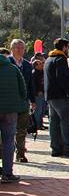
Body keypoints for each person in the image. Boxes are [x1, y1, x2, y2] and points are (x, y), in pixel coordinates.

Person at [44, 38, 69, 158]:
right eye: (67, 47)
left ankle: (56, 149)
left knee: (54, 122)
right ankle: (68, 148)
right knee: (65, 122)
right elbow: (62, 78)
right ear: (64, 47)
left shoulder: (49, 59)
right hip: (60, 95)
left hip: (50, 95)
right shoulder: (61, 59)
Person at [0, 49, 28, 183]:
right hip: (10, 111)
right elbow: (23, 90)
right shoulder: (13, 68)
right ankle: (7, 173)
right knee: (8, 142)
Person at [9, 39, 34, 163]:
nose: (19, 50)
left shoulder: (27, 65)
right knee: (8, 129)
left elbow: (30, 84)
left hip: (23, 101)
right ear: (12, 49)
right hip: (10, 102)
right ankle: (7, 153)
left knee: (22, 130)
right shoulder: (7, 63)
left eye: (22, 48)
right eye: (17, 47)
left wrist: (33, 100)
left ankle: (20, 153)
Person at [31, 57, 45, 131]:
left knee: (42, 111)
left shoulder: (43, 72)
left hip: (44, 94)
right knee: (38, 111)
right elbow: (33, 85)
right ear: (36, 66)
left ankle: (40, 124)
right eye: (40, 64)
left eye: (42, 63)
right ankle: (36, 125)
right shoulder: (34, 73)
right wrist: (37, 92)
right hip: (38, 95)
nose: (42, 65)